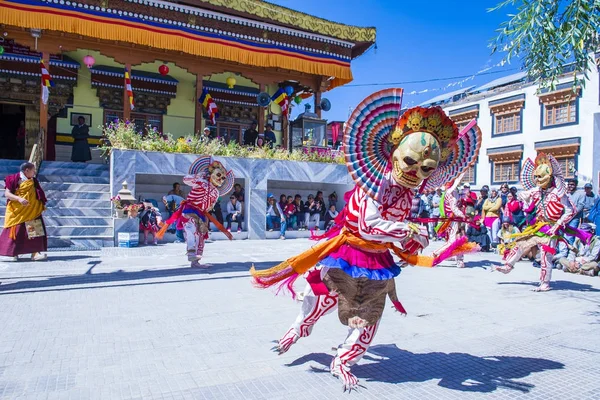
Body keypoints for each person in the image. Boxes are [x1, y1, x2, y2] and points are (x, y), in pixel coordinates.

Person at [251, 93, 482, 392]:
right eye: (411, 162)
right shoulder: (373, 183)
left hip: (378, 263)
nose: (416, 173)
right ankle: (298, 329)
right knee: (322, 301)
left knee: (369, 321)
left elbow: (400, 237)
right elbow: (368, 225)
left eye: (426, 168)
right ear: (395, 153)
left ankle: (343, 361)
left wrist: (418, 238)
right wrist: (405, 230)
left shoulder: (408, 195)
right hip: (348, 254)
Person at [495, 153, 577, 292]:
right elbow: (523, 196)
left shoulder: (559, 193)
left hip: (551, 228)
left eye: (541, 177)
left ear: (549, 177)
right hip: (538, 226)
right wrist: (525, 199)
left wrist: (558, 225)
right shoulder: (536, 191)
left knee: (546, 256)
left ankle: (545, 283)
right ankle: (508, 265)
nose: (538, 180)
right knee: (521, 243)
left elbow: (571, 210)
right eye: (536, 177)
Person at [156, 157, 234, 268]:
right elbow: (185, 180)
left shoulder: (216, 193)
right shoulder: (201, 182)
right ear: (211, 174)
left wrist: (207, 212)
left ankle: (195, 261)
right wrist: (198, 176)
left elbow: (210, 206)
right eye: (218, 175)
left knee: (201, 236)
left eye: (223, 178)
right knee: (190, 226)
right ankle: (191, 252)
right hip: (190, 209)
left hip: (202, 213)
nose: (220, 179)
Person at [0, 162, 48, 261]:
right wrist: (19, 199)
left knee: (34, 231)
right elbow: (7, 194)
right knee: (16, 232)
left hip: (32, 210)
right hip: (18, 211)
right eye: (33, 170)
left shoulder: (33, 181)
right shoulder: (14, 179)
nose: (34, 172)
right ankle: (13, 254)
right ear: (27, 170)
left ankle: (35, 253)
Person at [566, 178, 585, 243]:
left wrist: (571, 214)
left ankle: (571, 252)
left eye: (572, 184)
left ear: (576, 185)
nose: (570, 186)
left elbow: (580, 207)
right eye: (569, 184)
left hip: (574, 218)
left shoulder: (581, 194)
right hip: (565, 218)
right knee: (562, 235)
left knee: (570, 235)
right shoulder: (566, 194)